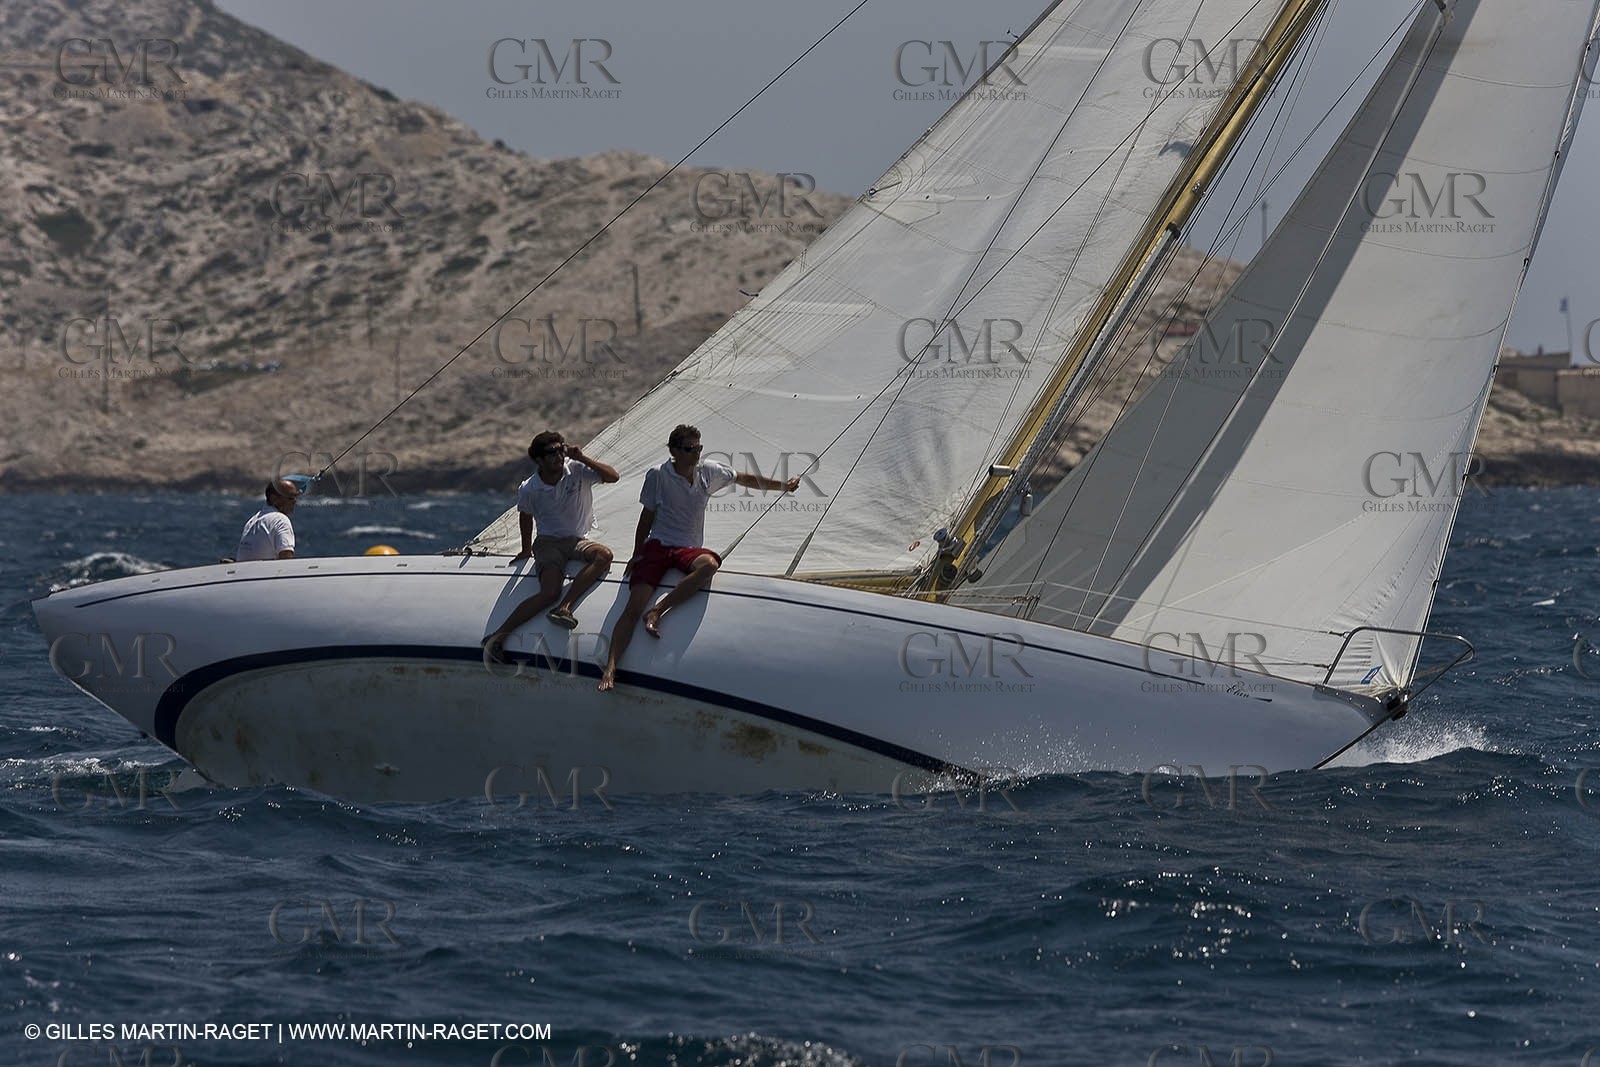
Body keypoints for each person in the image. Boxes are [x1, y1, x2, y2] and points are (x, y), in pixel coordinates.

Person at [598, 424, 799, 692]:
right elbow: (647, 516)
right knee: (633, 608)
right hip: (658, 545)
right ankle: (610, 667)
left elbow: (744, 479)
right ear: (674, 451)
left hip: (687, 548)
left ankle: (657, 611)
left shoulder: (708, 471)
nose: (697, 453)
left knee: (710, 565)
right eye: (690, 448)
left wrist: (783, 486)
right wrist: (637, 553)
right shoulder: (658, 475)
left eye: (699, 447)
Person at [483, 431, 619, 661]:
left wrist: (582, 457)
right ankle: (497, 637)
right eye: (551, 452)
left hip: (577, 540)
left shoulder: (576, 469)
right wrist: (526, 549)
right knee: (549, 592)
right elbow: (525, 515)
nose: (559, 456)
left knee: (604, 555)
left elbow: (613, 476)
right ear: (539, 459)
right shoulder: (530, 488)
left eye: (561, 450)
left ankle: (564, 607)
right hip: (548, 543)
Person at [235, 478, 302, 561]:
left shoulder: (252, 521)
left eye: (295, 497)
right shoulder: (280, 520)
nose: (294, 501)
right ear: (274, 499)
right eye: (290, 497)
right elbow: (286, 559)